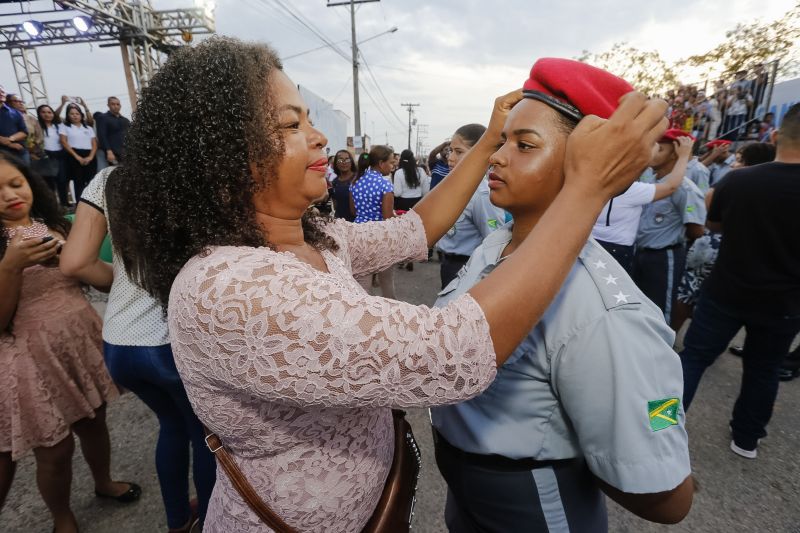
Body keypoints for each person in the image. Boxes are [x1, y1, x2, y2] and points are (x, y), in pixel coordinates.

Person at [105, 37, 666, 532]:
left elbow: (414, 228)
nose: (321, 137)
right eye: (291, 125)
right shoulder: (230, 287)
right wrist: (587, 190)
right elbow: (455, 349)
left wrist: (491, 133)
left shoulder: (311, 237)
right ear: (224, 154)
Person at [432, 57, 693, 533]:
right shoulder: (497, 242)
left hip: (533, 507)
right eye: (504, 140)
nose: (495, 156)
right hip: (467, 494)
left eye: (524, 144)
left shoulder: (606, 310)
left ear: (589, 164)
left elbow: (667, 498)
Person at [60, 167, 216, 532]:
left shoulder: (108, 178)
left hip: (120, 341)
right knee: (207, 437)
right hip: (170, 342)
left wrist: (127, 287)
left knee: (172, 426)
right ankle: (212, 520)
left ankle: (178, 521)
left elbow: (75, 261)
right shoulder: (199, 172)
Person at [0, 154, 139, 533]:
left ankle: (103, 481)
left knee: (95, 422)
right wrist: (10, 266)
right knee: (55, 450)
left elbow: (104, 280)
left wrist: (73, 259)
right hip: (29, 356)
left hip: (76, 340)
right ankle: (62, 516)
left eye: (16, 183)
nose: (10, 195)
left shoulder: (55, 224)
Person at [679, 103, 800, 460]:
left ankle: (662, 424)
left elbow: (714, 225)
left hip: (726, 290)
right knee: (763, 369)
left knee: (693, 358)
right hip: (785, 303)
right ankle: (747, 438)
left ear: (777, 135)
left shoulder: (739, 180)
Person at [673, 142, 777, 334]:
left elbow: (707, 219)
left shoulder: (730, 184)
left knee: (688, 296)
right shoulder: (774, 192)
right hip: (741, 258)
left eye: (738, 161)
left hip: (712, 248)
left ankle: (672, 337)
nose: (733, 165)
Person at [633, 130, 706, 323]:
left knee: (660, 310)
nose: (653, 153)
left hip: (664, 256)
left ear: (674, 153)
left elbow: (696, 229)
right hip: (641, 253)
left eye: (660, 149)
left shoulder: (684, 187)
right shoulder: (654, 182)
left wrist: (671, 236)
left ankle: (660, 350)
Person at [592, 130, 692, 273]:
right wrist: (684, 157)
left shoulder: (592, 181)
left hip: (592, 244)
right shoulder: (630, 189)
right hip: (615, 249)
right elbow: (671, 186)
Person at [436, 123, 507, 288]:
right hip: (447, 264)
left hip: (466, 267)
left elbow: (494, 241)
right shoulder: (455, 186)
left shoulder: (481, 195)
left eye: (458, 151)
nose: (450, 157)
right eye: (450, 150)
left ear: (480, 153)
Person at [350, 145, 397, 297]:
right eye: (391, 162)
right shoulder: (385, 185)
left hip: (358, 235)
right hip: (380, 237)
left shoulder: (355, 182)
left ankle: (362, 317)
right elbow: (387, 218)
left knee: (362, 285)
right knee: (386, 282)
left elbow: (354, 211)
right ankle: (391, 316)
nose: (393, 166)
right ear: (381, 163)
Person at [60, 103, 98, 203]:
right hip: (74, 155)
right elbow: (64, 142)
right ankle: (80, 205)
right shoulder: (65, 127)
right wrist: (78, 157)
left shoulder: (88, 128)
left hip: (90, 155)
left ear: (81, 115)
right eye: (72, 114)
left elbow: (94, 144)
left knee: (92, 181)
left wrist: (90, 157)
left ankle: (94, 203)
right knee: (79, 182)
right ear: (68, 115)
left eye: (77, 113)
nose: (75, 115)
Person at [34, 104, 67, 204]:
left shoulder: (59, 126)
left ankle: (64, 204)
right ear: (39, 114)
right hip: (45, 156)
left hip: (59, 155)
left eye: (49, 112)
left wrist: (62, 103)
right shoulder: (37, 126)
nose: (47, 114)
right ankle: (53, 206)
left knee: (62, 181)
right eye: (43, 112)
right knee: (49, 183)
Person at [95, 97, 130, 166]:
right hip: (113, 154)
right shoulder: (103, 118)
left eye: (117, 104)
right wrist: (108, 151)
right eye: (113, 104)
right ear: (108, 105)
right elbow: (102, 135)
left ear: (120, 106)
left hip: (127, 153)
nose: (116, 106)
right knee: (118, 174)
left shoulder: (125, 120)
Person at [6, 94, 40, 164]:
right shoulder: (3, 118)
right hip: (7, 152)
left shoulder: (31, 119)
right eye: (16, 101)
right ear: (8, 103)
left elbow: (39, 137)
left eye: (21, 101)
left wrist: (32, 150)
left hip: (29, 153)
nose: (20, 103)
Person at [0, 84, 28, 160]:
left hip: (18, 150)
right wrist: (8, 144)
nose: (1, 93)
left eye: (2, 92)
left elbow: (24, 132)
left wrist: (10, 139)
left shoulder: (15, 113)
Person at [329, 149, 357, 221]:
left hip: (356, 222)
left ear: (351, 162)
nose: (344, 163)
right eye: (340, 160)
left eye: (347, 160)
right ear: (336, 163)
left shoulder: (357, 179)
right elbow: (335, 205)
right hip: (340, 223)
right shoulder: (335, 182)